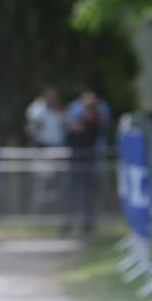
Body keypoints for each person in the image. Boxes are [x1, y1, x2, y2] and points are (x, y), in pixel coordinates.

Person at [61, 96, 102, 236]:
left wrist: (81, 130)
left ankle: (88, 226)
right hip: (75, 164)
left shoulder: (95, 123)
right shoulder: (77, 121)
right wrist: (74, 129)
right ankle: (67, 225)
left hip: (88, 165)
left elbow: (90, 138)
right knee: (70, 197)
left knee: (87, 197)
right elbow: (69, 139)